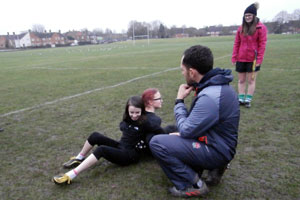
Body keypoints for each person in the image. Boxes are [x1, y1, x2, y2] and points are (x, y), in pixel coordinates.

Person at [149, 45, 240, 198]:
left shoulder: (209, 96)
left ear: (192, 72)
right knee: (170, 130)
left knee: (157, 142)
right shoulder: (218, 86)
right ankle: (215, 168)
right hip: (221, 142)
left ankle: (193, 185)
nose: (182, 73)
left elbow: (186, 129)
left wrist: (179, 101)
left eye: (182, 70)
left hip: (216, 149)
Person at [52, 95, 159, 185]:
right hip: (121, 146)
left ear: (142, 111)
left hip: (129, 156)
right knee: (95, 135)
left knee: (101, 150)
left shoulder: (146, 122)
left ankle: (71, 175)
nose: (134, 115)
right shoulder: (127, 119)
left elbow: (160, 131)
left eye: (137, 112)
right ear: (127, 110)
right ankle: (79, 158)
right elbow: (125, 127)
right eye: (132, 112)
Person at [231, 2, 267, 108]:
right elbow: (237, 43)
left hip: (253, 59)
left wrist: (259, 60)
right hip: (241, 58)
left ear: (254, 16)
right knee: (241, 80)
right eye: (246, 15)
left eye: (249, 15)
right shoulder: (241, 28)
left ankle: (248, 100)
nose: (247, 17)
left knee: (251, 80)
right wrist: (234, 56)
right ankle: (241, 99)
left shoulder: (261, 28)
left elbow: (262, 45)